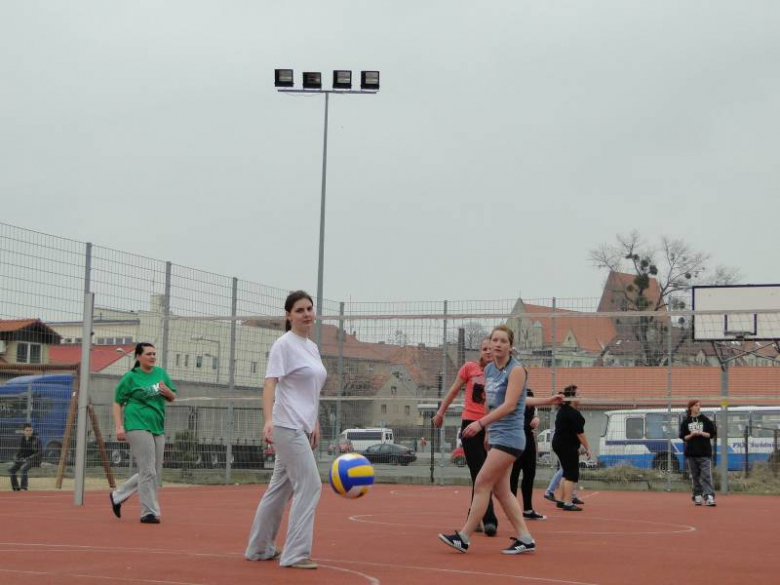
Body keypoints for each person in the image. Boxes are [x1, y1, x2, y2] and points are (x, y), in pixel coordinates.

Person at [438, 325, 563, 555]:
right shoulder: (489, 371)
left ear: (510, 346)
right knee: (502, 491)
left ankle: (464, 537)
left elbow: (510, 404)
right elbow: (492, 403)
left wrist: (480, 424)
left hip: (511, 437)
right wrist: (487, 432)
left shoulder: (516, 370)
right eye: (494, 340)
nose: (497, 344)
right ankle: (525, 538)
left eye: (503, 341)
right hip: (496, 435)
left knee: (482, 482)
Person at [245, 290, 327, 570]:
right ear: (288, 315)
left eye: (309, 309)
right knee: (310, 485)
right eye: (300, 310)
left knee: (280, 490)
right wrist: (268, 419)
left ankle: (258, 548)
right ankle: (295, 554)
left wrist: (314, 421)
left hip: (301, 426)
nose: (306, 314)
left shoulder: (311, 347)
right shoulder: (283, 345)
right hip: (286, 426)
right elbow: (270, 383)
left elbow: (310, 390)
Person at [433, 337, 499, 536]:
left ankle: (474, 516)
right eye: (484, 348)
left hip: (491, 425)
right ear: (480, 351)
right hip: (470, 425)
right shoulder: (470, 368)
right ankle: (489, 518)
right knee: (479, 473)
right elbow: (453, 390)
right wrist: (440, 413)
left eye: (491, 349)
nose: (488, 352)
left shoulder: (502, 373)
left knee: (486, 475)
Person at [110, 342, 177, 523]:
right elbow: (117, 402)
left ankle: (117, 496)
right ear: (138, 357)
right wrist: (119, 427)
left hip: (156, 425)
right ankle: (148, 512)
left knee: (153, 470)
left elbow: (172, 397)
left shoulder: (161, 374)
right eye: (148, 354)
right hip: (136, 424)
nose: (152, 357)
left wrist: (167, 391)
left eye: (154, 354)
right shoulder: (130, 377)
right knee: (148, 470)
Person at [551, 385, 590, 511]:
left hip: (561, 444)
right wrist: (587, 448)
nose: (581, 397)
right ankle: (568, 503)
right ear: (572, 397)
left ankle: (561, 500)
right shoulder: (572, 413)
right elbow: (580, 433)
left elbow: (571, 432)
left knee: (567, 472)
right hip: (565, 445)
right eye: (578, 395)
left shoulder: (564, 410)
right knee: (572, 474)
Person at [509, 389, 546, 520]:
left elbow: (535, 411)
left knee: (530, 474)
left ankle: (528, 509)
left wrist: (536, 417)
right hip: (515, 440)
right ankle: (511, 510)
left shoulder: (531, 400)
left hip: (528, 441)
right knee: (513, 476)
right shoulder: (512, 400)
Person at [679, 400, 717, 507]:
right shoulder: (686, 422)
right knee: (695, 476)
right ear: (691, 407)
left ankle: (709, 496)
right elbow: (683, 437)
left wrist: (701, 433)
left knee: (706, 476)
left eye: (699, 405)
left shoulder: (705, 420)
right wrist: (692, 434)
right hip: (691, 453)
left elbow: (711, 434)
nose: (698, 407)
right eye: (696, 405)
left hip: (704, 453)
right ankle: (697, 495)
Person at [9, 423, 41, 491]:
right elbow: (20, 451)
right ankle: (16, 488)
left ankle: (23, 488)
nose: (29, 432)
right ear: (23, 431)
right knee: (11, 469)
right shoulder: (22, 438)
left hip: (34, 460)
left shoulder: (37, 439)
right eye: (27, 430)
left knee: (23, 468)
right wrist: (16, 457)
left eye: (30, 430)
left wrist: (29, 458)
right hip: (24, 459)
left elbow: (39, 453)